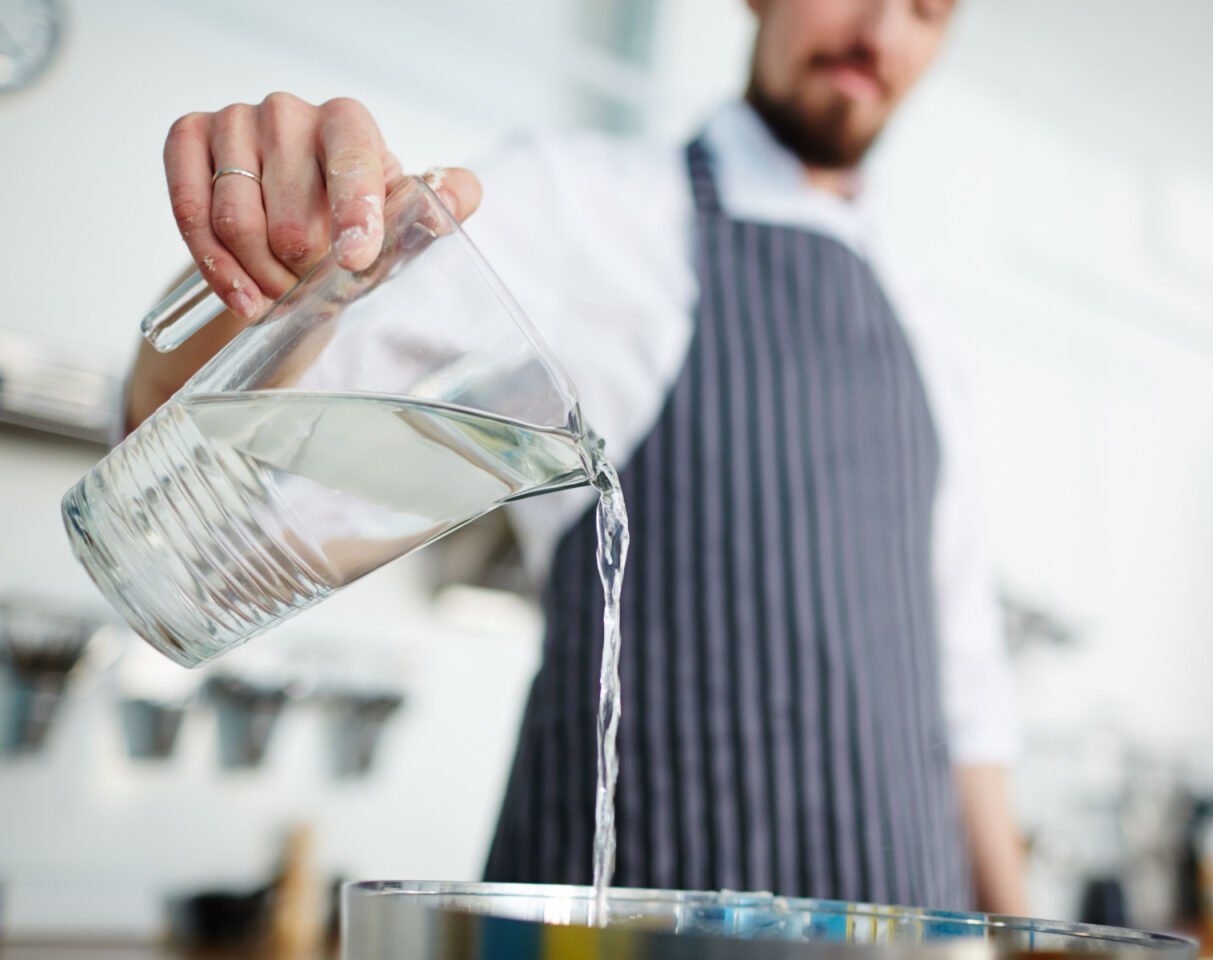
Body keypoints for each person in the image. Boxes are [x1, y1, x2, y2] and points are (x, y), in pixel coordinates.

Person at [125, 0, 1027, 914]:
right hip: (626, 916)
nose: (881, 32)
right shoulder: (579, 206)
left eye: (927, 9)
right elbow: (218, 490)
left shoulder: (932, 328)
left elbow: (967, 691)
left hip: (907, 908)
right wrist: (280, 260)